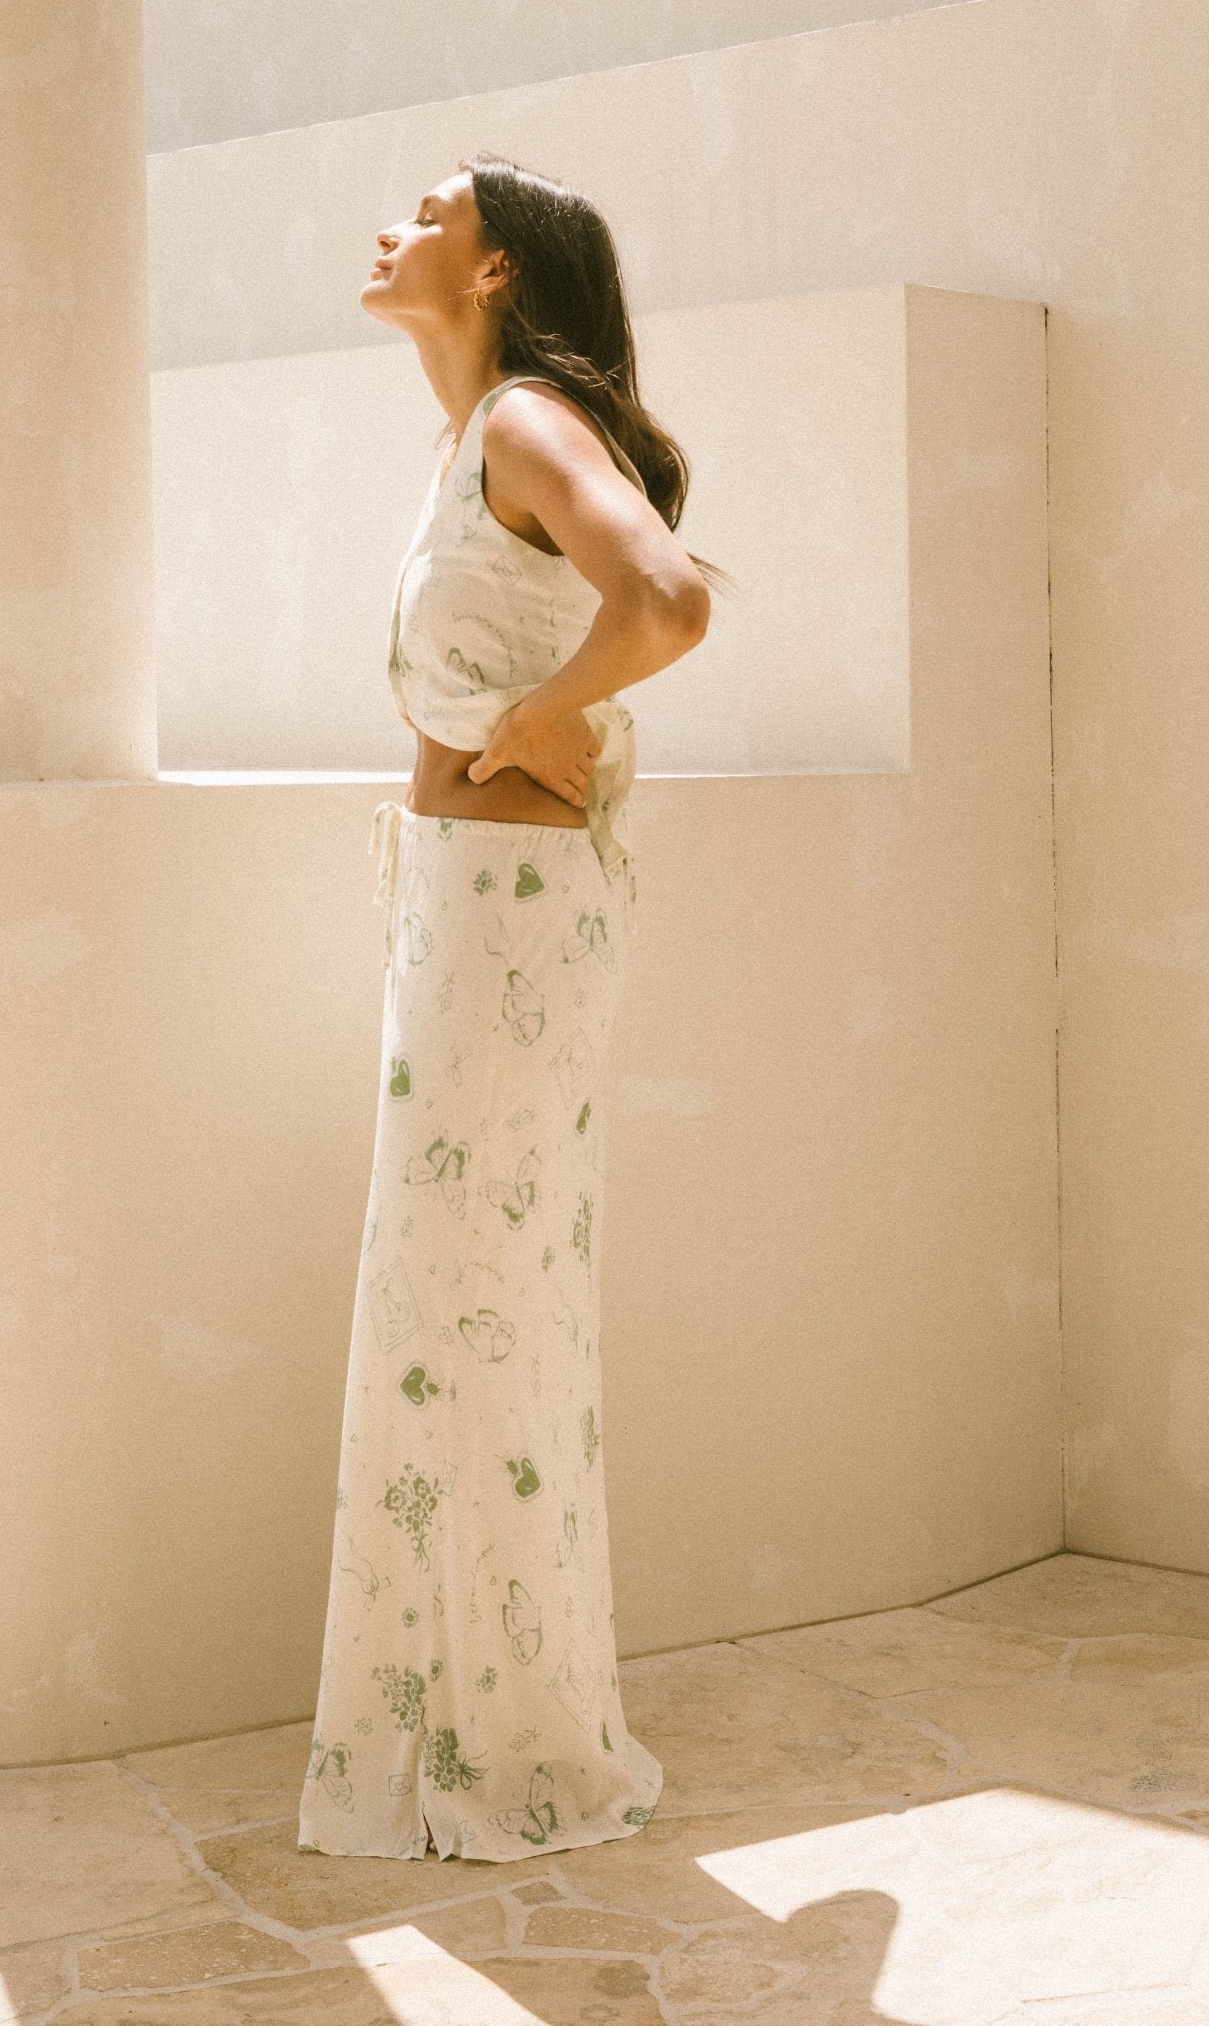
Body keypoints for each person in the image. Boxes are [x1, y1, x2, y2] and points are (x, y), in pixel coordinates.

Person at [298, 154, 722, 1863]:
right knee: (465, 1304)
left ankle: (513, 1736)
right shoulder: (477, 438)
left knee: (470, 1301)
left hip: (508, 915)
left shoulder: (528, 423)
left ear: (493, 272)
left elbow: (669, 598)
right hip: (472, 904)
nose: (390, 229)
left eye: (428, 214)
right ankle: (464, 1715)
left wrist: (541, 714)